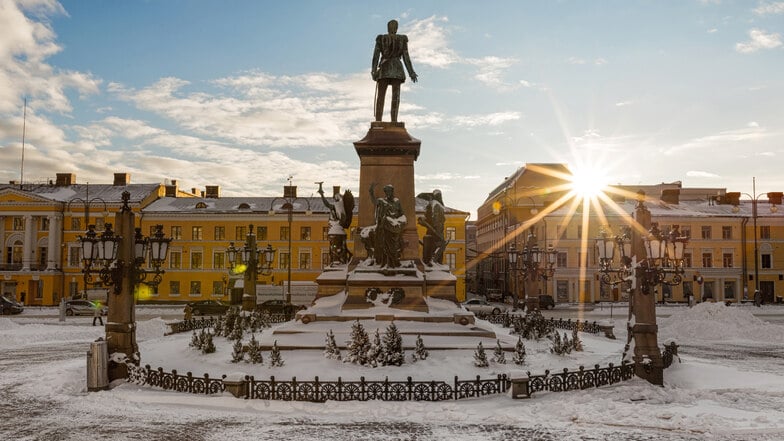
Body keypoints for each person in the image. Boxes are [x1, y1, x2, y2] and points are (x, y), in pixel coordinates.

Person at [371, 19, 418, 122]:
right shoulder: (402, 39)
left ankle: (378, 121)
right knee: (395, 97)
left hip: (384, 69)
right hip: (397, 69)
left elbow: (376, 56)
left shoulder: (382, 38)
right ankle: (394, 121)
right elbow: (406, 57)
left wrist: (374, 71)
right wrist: (411, 73)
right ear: (396, 29)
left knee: (381, 96)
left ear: (388, 28)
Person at [369, 183, 406, 268]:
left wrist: (400, 222)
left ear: (392, 192)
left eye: (390, 191)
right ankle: (386, 263)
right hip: (385, 227)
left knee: (394, 246)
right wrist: (371, 191)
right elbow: (374, 201)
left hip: (395, 227)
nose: (388, 193)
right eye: (387, 191)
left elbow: (402, 213)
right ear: (385, 192)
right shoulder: (382, 201)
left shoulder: (397, 202)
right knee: (385, 246)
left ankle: (394, 262)